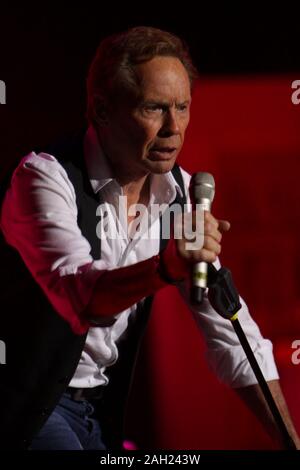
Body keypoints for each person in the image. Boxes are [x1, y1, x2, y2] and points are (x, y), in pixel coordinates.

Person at [0, 26, 299, 451]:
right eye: (154, 108)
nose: (173, 127)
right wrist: (166, 268)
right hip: (26, 408)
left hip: (97, 409)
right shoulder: (45, 178)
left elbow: (233, 333)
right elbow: (80, 296)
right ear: (102, 110)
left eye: (182, 107)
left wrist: (291, 442)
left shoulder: (181, 193)